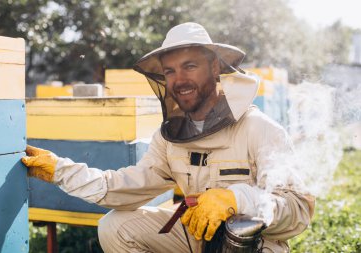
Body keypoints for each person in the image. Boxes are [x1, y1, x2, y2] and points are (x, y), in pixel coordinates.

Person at [22, 22, 315, 253]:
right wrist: (60, 171)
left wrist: (236, 199)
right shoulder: (171, 137)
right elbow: (123, 186)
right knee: (115, 227)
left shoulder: (258, 128)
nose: (179, 79)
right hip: (197, 238)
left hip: (255, 244)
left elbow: (298, 209)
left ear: (215, 67)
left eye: (190, 66)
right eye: (170, 71)